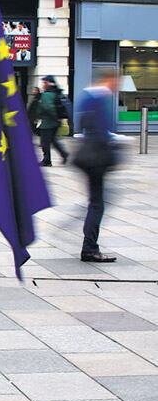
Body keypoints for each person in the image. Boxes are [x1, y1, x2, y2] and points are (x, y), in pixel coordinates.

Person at [73, 68, 119, 263]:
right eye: (115, 82)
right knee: (97, 204)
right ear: (109, 80)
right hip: (96, 159)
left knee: (96, 201)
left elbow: (82, 125)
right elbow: (101, 132)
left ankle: (89, 245)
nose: (116, 86)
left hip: (87, 157)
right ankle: (90, 248)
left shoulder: (87, 96)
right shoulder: (100, 98)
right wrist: (114, 142)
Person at [36, 75, 69, 166]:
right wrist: (58, 119)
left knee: (44, 142)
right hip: (55, 122)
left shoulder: (46, 95)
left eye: (44, 83)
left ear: (48, 83)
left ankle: (46, 160)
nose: (43, 85)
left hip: (47, 122)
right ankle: (64, 154)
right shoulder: (56, 93)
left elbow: (48, 108)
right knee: (53, 140)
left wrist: (53, 117)